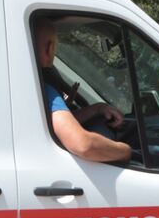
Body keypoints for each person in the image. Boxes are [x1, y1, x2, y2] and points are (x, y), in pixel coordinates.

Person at [32, 18, 132, 163]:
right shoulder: (42, 90)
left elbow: (61, 123)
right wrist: (126, 151)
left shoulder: (26, 85)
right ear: (49, 48)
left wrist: (98, 109)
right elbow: (84, 145)